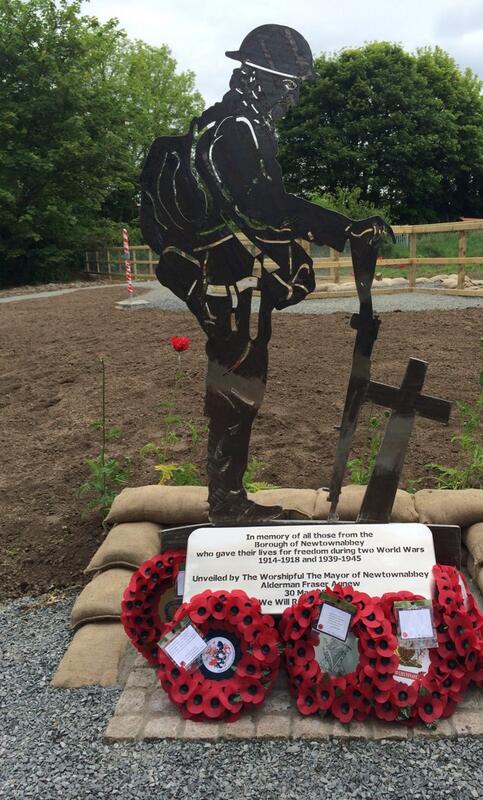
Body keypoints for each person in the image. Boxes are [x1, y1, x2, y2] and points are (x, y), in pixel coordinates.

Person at [140, 24, 389, 524]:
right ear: (256, 78)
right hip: (227, 279)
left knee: (239, 379)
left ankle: (228, 499)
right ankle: (228, 504)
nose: (292, 97)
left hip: (229, 276)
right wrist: (343, 230)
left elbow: (266, 207)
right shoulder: (237, 129)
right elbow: (265, 206)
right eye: (287, 85)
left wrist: (337, 232)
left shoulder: (234, 123)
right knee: (238, 382)